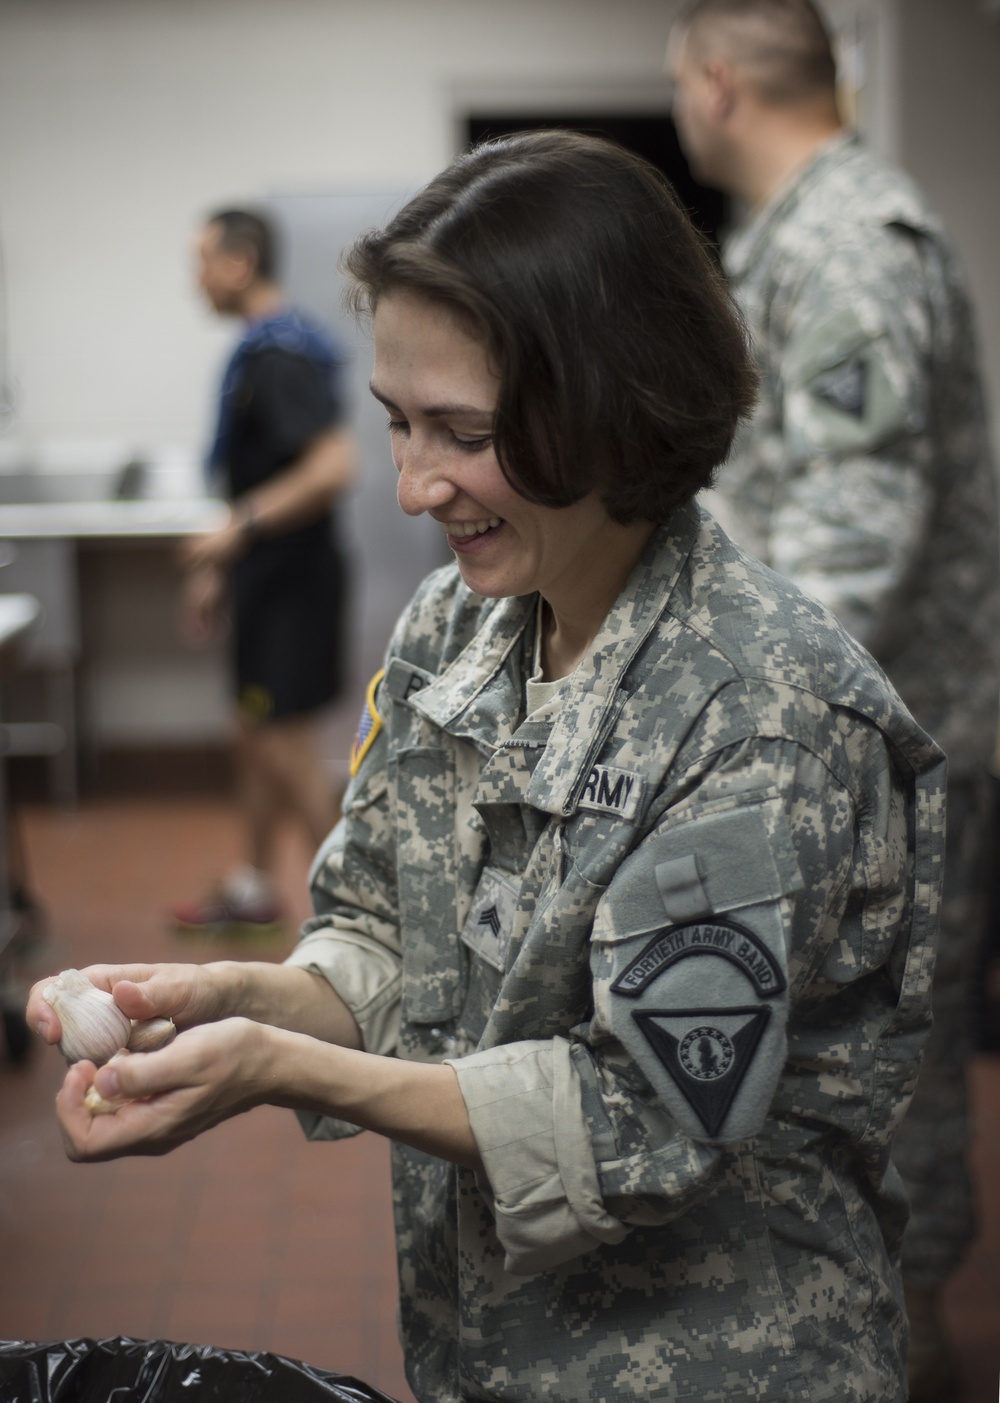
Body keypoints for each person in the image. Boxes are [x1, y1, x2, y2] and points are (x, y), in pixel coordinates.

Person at [30, 132, 945, 1403]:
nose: (412, 486)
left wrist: (276, 1067)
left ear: (611, 404)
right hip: (489, 1349)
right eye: (399, 424)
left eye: (462, 432)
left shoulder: (761, 714)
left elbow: (644, 1119)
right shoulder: (455, 629)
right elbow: (380, 934)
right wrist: (234, 1000)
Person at [667, 0, 1000, 1403]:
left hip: (881, 741)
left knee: (889, 1062)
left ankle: (912, 1342)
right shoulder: (794, 241)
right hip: (844, 728)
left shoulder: (852, 243)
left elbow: (862, 526)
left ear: (716, 83)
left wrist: (760, 715)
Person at [176, 209, 359, 927]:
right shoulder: (259, 351)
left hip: (294, 584)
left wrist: (236, 530)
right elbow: (261, 473)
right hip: (266, 577)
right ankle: (254, 887)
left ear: (240, 262)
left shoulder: (279, 356)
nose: (194, 277)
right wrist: (223, 565)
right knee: (251, 736)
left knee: (285, 750)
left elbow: (334, 465)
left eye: (201, 260)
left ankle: (362, 912)